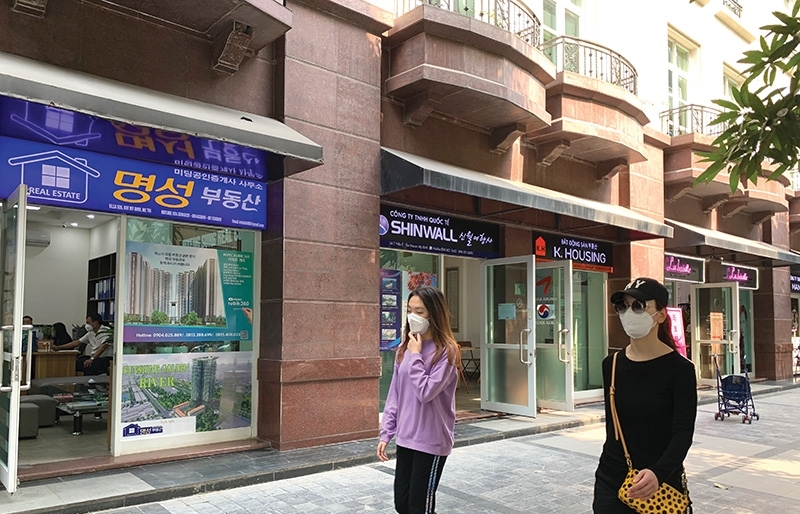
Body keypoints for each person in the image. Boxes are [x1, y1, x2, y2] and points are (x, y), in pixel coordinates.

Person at [593, 277, 697, 513]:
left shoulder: (680, 370)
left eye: (639, 306)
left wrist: (659, 472)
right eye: (623, 306)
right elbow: (614, 429)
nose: (629, 313)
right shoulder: (611, 364)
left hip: (660, 484)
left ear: (661, 315)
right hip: (612, 479)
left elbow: (682, 434)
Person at [377, 286, 461, 514]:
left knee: (419, 508)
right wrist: (387, 432)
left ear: (434, 314)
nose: (413, 316)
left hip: (431, 440)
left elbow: (425, 392)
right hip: (406, 437)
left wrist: (416, 354)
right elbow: (395, 394)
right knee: (402, 504)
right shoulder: (403, 348)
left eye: (420, 311)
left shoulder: (447, 351)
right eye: (409, 310)